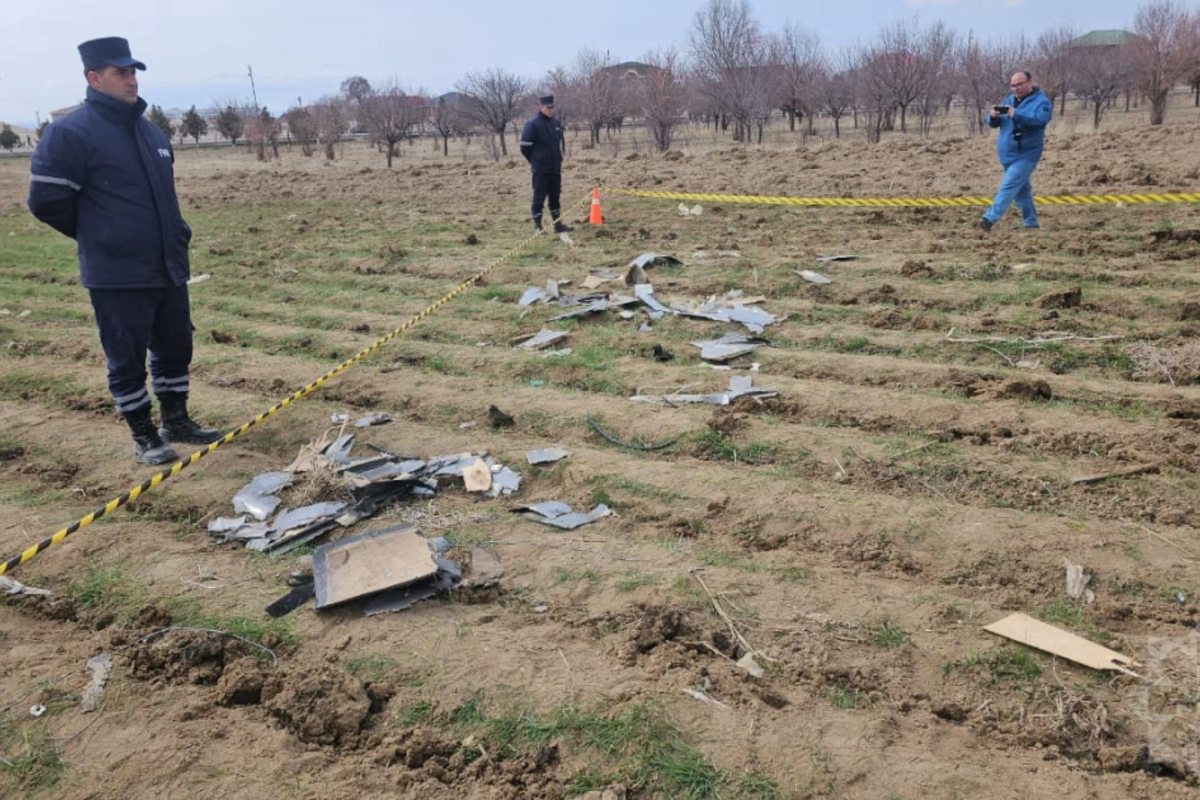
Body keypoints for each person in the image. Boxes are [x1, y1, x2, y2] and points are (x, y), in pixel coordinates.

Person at [27, 37, 222, 466]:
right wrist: (103, 235)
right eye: (121, 72)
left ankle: (177, 421)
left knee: (175, 348)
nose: (131, 79)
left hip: (168, 264)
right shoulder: (69, 133)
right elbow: (46, 203)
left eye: (134, 71)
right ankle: (144, 435)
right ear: (94, 77)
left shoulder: (150, 131)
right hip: (117, 272)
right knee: (127, 357)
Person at [980, 70, 1053, 232]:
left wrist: (1018, 114)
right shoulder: (1009, 100)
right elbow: (992, 123)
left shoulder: (1042, 102)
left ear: (1030, 82)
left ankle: (989, 218)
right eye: (1013, 85)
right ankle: (1031, 222)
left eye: (1020, 84)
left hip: (1026, 155)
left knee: (1007, 187)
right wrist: (992, 116)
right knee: (1022, 192)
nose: (1016, 88)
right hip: (1007, 155)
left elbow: (1040, 120)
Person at [519, 95, 572, 235]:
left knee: (555, 196)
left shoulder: (555, 124)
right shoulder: (532, 124)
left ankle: (557, 224)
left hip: (555, 167)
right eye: (548, 107)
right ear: (541, 107)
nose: (551, 110)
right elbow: (525, 147)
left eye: (552, 107)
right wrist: (535, 160)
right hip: (540, 169)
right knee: (539, 197)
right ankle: (538, 226)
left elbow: (558, 143)